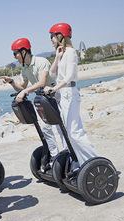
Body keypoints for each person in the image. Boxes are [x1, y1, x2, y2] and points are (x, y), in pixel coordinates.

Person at [44, 23, 98, 169]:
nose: (51, 39)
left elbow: (68, 77)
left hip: (70, 94)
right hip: (63, 94)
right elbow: (53, 73)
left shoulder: (71, 53)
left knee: (75, 132)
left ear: (60, 36)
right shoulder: (62, 53)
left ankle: (95, 162)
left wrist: (53, 88)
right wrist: (57, 57)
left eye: (52, 36)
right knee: (69, 134)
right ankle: (81, 163)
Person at [0, 38, 59, 163]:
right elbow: (21, 88)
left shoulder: (41, 62)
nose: (14, 56)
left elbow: (42, 82)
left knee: (60, 127)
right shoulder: (24, 69)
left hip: (57, 96)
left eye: (15, 53)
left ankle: (70, 155)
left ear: (24, 51)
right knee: (45, 128)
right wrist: (11, 82)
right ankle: (55, 156)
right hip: (45, 99)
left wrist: (25, 91)